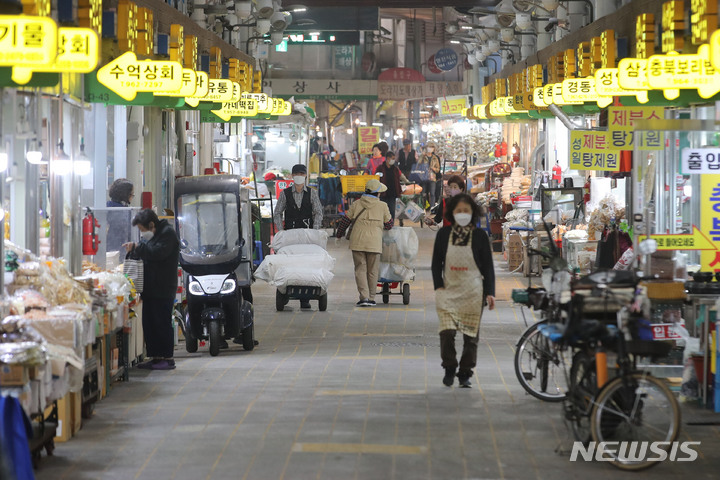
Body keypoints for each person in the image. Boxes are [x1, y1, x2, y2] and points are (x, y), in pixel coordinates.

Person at [431, 194, 495, 388]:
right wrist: (438, 286)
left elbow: (488, 267)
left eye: (466, 211)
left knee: (471, 337)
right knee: (447, 333)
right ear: (452, 213)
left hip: (474, 293)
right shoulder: (443, 235)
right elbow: (436, 264)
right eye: (458, 211)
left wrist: (490, 292)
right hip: (448, 291)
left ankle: (465, 373)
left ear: (473, 213)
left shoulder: (480, 236)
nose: (462, 214)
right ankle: (449, 367)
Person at [123, 209, 180, 371]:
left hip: (163, 287)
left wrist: (137, 247)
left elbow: (158, 253)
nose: (142, 233)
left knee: (161, 323)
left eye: (142, 230)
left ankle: (167, 358)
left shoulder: (168, 234)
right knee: (149, 324)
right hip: (150, 288)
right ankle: (155, 357)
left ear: (151, 224)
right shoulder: (154, 234)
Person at [335, 179, 394, 307]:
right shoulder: (383, 206)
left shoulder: (356, 204)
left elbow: (345, 221)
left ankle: (364, 298)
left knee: (360, 270)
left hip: (358, 242)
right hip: (374, 242)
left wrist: (339, 235)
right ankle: (372, 298)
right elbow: (389, 225)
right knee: (373, 271)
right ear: (377, 193)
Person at [273, 163, 323, 309]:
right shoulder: (285, 193)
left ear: (306, 176)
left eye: (302, 174)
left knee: (306, 263)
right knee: (290, 262)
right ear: (292, 176)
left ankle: (304, 298)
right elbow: (277, 213)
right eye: (297, 174)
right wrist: (281, 231)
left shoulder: (312, 193)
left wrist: (315, 231)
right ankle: (285, 290)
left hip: (307, 235)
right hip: (290, 235)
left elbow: (318, 212)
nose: (299, 177)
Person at [106, 178, 134, 261]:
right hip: (118, 251)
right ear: (126, 195)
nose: (132, 197)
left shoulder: (108, 206)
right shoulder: (122, 212)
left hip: (109, 249)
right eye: (132, 195)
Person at [376, 151, 409, 221]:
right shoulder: (380, 168)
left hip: (392, 194)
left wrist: (407, 182)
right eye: (393, 158)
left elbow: (401, 176)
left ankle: (391, 225)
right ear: (388, 158)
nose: (394, 160)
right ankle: (383, 224)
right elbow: (376, 178)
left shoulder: (395, 169)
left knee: (392, 211)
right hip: (383, 194)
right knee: (383, 211)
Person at [419, 142, 441, 209]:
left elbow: (438, 169)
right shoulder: (423, 156)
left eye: (432, 147)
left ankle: (432, 208)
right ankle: (423, 207)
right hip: (424, 177)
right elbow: (418, 165)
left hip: (432, 177)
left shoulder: (435, 158)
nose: (430, 148)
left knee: (432, 193)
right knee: (423, 193)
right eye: (429, 147)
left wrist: (433, 168)